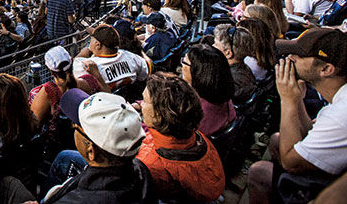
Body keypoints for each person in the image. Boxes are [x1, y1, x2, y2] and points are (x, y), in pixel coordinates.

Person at [247, 29, 347, 204]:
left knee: (258, 172)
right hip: (345, 167)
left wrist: (288, 101)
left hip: (339, 186)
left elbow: (289, 161)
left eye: (300, 55)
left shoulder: (343, 115)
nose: (291, 58)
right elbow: (310, 131)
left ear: (326, 69)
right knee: (276, 140)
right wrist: (297, 100)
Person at [35, 89, 156, 204]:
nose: (73, 127)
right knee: (65, 157)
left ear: (91, 151)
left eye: (76, 125)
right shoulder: (141, 170)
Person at [136, 72, 225, 202]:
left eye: (144, 101)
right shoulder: (198, 137)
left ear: (159, 115)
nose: (141, 105)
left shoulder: (149, 163)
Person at [73, 24, 149, 92]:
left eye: (91, 41)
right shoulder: (130, 56)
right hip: (130, 99)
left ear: (98, 45)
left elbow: (69, 73)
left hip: (103, 104)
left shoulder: (88, 65)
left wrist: (81, 54)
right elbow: (145, 74)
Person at [181, 44, 236, 136]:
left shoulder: (194, 112)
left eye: (184, 62)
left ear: (197, 72)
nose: (182, 66)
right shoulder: (222, 96)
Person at [212, 24, 257, 104]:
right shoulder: (244, 69)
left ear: (228, 53)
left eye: (215, 44)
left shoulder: (226, 82)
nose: (212, 46)